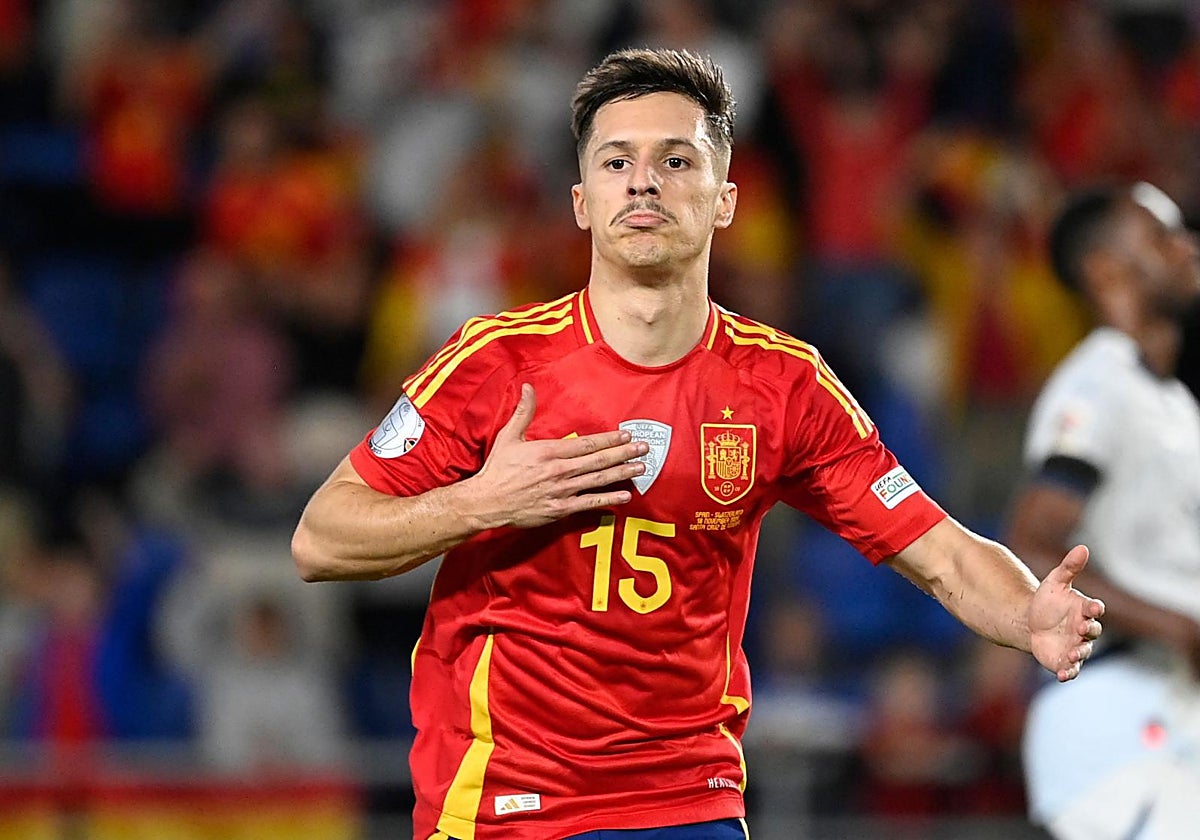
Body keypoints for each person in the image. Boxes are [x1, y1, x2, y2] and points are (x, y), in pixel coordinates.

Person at [292, 48, 1104, 840]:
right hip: (508, 799)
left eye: (676, 160)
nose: (643, 179)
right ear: (581, 201)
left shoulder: (783, 386)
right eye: (616, 162)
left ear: (725, 200)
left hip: (690, 799)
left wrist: (1026, 611)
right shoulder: (497, 364)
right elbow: (321, 538)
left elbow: (940, 553)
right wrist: (482, 502)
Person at [1007, 182, 1200, 840]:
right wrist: (1179, 628)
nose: (1185, 248)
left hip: (1173, 709)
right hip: (1119, 711)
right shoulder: (1099, 381)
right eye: (1160, 236)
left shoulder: (1169, 400)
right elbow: (1033, 548)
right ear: (1106, 270)